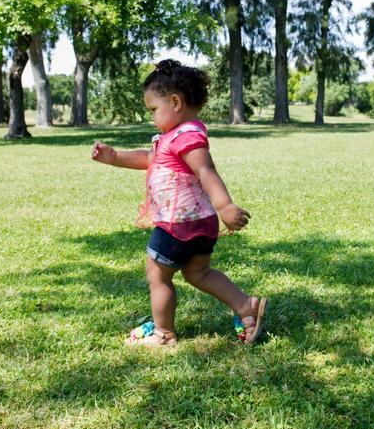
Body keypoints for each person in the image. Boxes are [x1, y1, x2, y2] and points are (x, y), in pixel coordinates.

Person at [91, 59, 268, 346]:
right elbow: (150, 159)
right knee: (198, 272)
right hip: (199, 223)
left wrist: (225, 206)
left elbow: (206, 170)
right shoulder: (174, 136)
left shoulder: (187, 137)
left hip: (178, 225)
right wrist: (114, 157)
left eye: (153, 110)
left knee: (157, 275)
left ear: (175, 102)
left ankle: (163, 333)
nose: (152, 117)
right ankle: (246, 306)